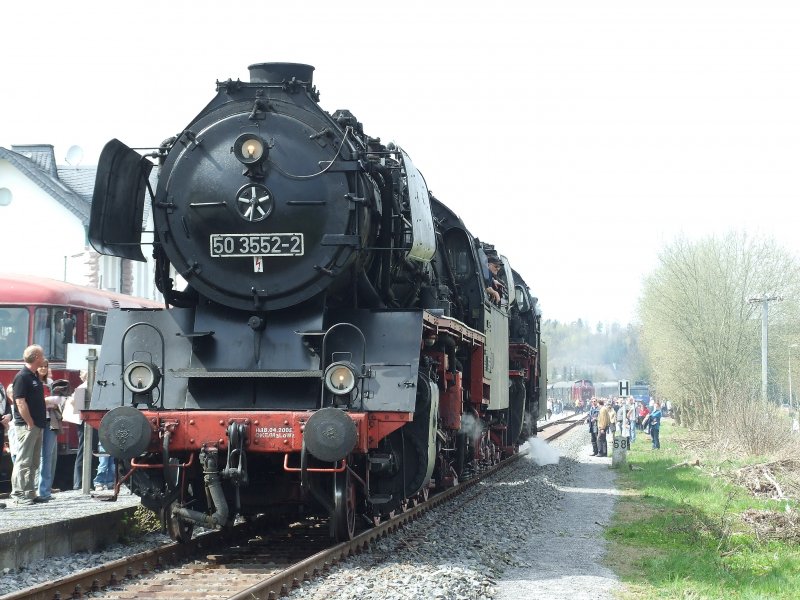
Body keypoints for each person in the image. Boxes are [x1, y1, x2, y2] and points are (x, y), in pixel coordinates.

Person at [11, 345, 48, 505]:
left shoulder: (34, 376)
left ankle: (30, 492)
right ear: (35, 357)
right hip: (28, 425)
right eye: (41, 355)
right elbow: (19, 401)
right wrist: (29, 422)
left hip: (37, 424)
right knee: (23, 460)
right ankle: (19, 494)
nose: (43, 358)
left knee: (34, 461)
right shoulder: (22, 376)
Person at [36, 362, 62, 502]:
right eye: (41, 366)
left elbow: (57, 401)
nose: (43, 369)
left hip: (50, 420)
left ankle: (44, 490)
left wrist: (47, 401)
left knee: (47, 456)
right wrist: (46, 401)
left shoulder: (51, 382)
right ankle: (35, 489)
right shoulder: (33, 381)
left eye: (45, 366)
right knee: (37, 456)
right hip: (37, 421)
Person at [63, 371, 88, 489]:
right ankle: (79, 483)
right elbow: (77, 407)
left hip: (86, 422)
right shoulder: (82, 388)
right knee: (83, 451)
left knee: (86, 451)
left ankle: (84, 482)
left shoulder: (86, 387)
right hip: (84, 423)